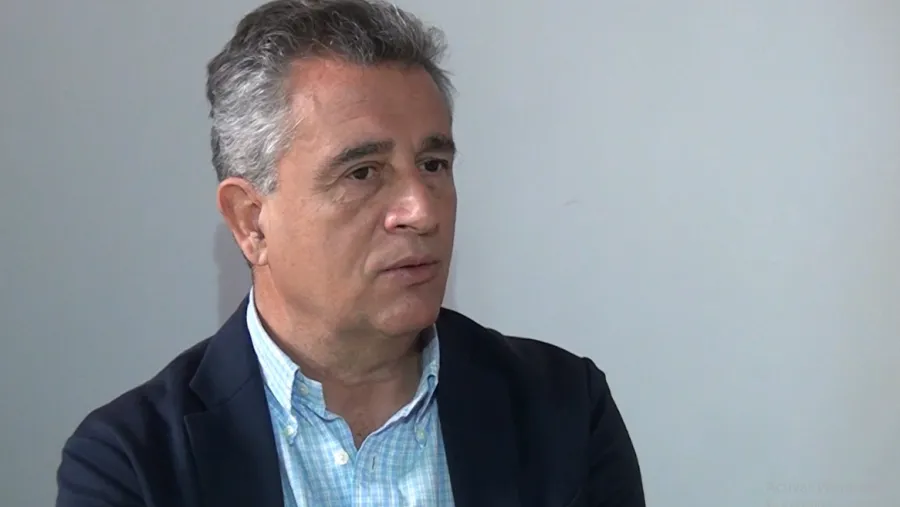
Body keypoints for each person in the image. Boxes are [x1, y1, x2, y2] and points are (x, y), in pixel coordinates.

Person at [55, 1, 645, 506]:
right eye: (363, 172)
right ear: (251, 221)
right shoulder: (133, 465)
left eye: (433, 164)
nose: (421, 210)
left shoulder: (564, 412)